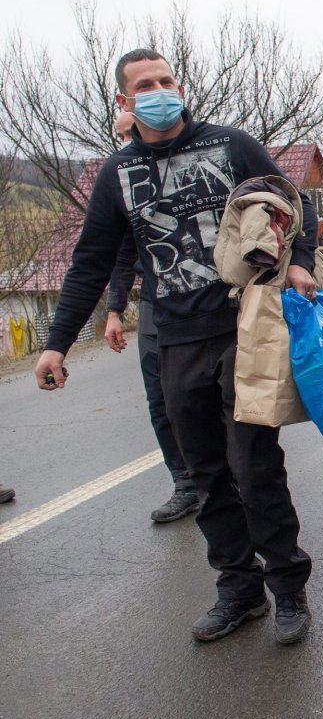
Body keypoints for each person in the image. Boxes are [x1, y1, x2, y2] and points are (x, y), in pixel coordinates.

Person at [34, 48, 318, 645]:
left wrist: (301, 265)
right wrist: (57, 344)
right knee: (207, 475)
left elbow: (298, 206)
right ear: (124, 101)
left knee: (254, 466)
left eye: (167, 80)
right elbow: (89, 262)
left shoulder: (232, 145)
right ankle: (238, 590)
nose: (161, 89)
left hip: (243, 329)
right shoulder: (116, 174)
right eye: (146, 84)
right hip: (175, 339)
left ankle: (288, 589)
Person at [104, 111, 199, 523]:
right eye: (124, 136)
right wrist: (113, 310)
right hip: (155, 306)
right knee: (161, 399)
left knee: (212, 394)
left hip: (206, 299)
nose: (133, 141)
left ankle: (232, 474)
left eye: (134, 133)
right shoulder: (123, 182)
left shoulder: (194, 164)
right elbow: (121, 255)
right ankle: (185, 483)